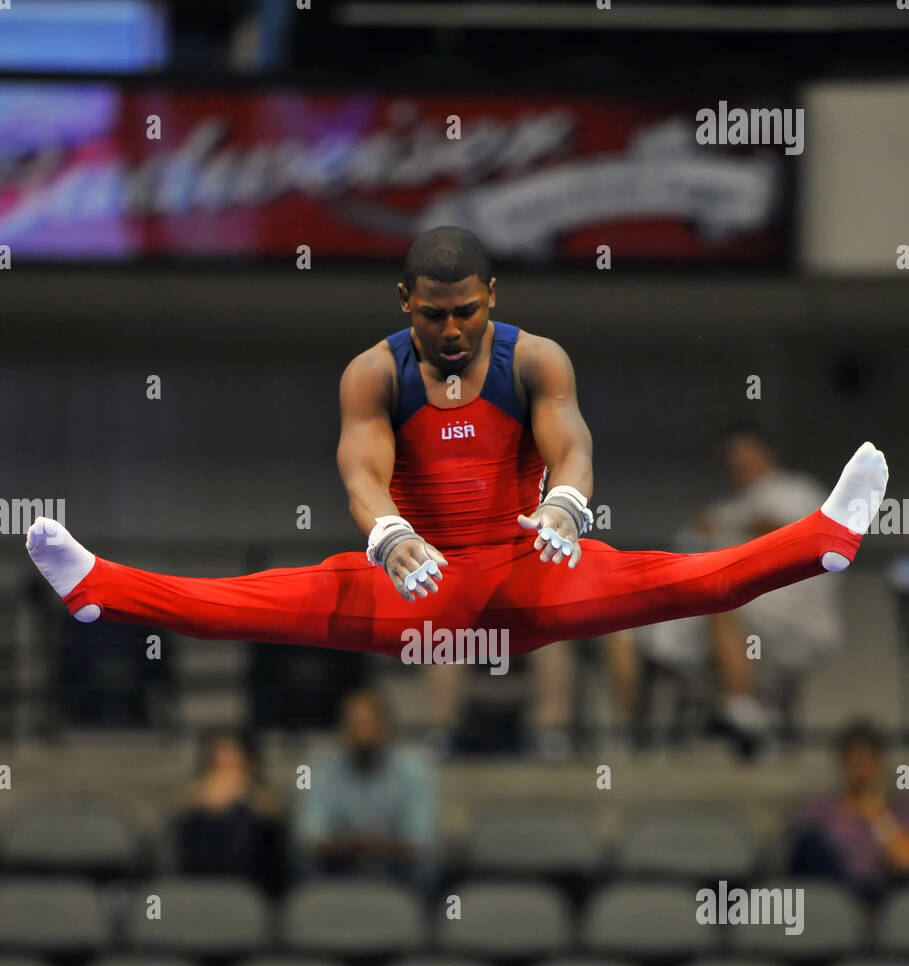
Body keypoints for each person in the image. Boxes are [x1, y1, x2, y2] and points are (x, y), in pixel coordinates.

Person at [26, 227, 887, 686]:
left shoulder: (537, 359)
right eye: (432, 314)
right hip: (419, 587)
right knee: (248, 602)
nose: (449, 330)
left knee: (688, 578)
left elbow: (571, 444)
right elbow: (361, 473)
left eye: (466, 312)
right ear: (405, 300)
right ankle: (99, 590)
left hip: (531, 572)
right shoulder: (374, 373)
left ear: (491, 299)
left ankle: (824, 536)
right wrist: (391, 536)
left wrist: (564, 506)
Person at [607, 427, 844, 750]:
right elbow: (682, 554)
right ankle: (629, 734)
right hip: (709, 607)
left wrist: (733, 529)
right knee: (623, 629)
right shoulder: (722, 508)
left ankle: (740, 710)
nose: (738, 462)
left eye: (746, 453)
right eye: (732, 457)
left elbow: (799, 535)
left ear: (767, 454)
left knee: (722, 599)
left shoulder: (797, 490)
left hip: (789, 607)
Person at [297, 688, 435, 884]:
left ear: (386, 727)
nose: (362, 732)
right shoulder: (319, 771)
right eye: (354, 724)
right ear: (342, 730)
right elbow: (309, 837)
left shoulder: (414, 771)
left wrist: (375, 846)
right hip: (337, 870)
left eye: (369, 723)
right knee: (306, 868)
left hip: (398, 872)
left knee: (424, 870)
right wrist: (359, 845)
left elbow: (421, 839)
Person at [787, 721, 909, 902]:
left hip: (877, 892)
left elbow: (904, 863)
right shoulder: (821, 807)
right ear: (842, 764)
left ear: (879, 764)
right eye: (854, 762)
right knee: (808, 843)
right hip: (829, 889)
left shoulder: (897, 811)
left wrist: (878, 816)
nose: (861, 772)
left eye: (867, 763)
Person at [173, 727, 286, 895]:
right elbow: (178, 810)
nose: (226, 759)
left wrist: (241, 793)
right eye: (220, 752)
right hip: (198, 876)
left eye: (233, 751)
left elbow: (274, 813)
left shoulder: (263, 794)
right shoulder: (195, 793)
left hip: (252, 880)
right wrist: (211, 798)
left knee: (244, 817)